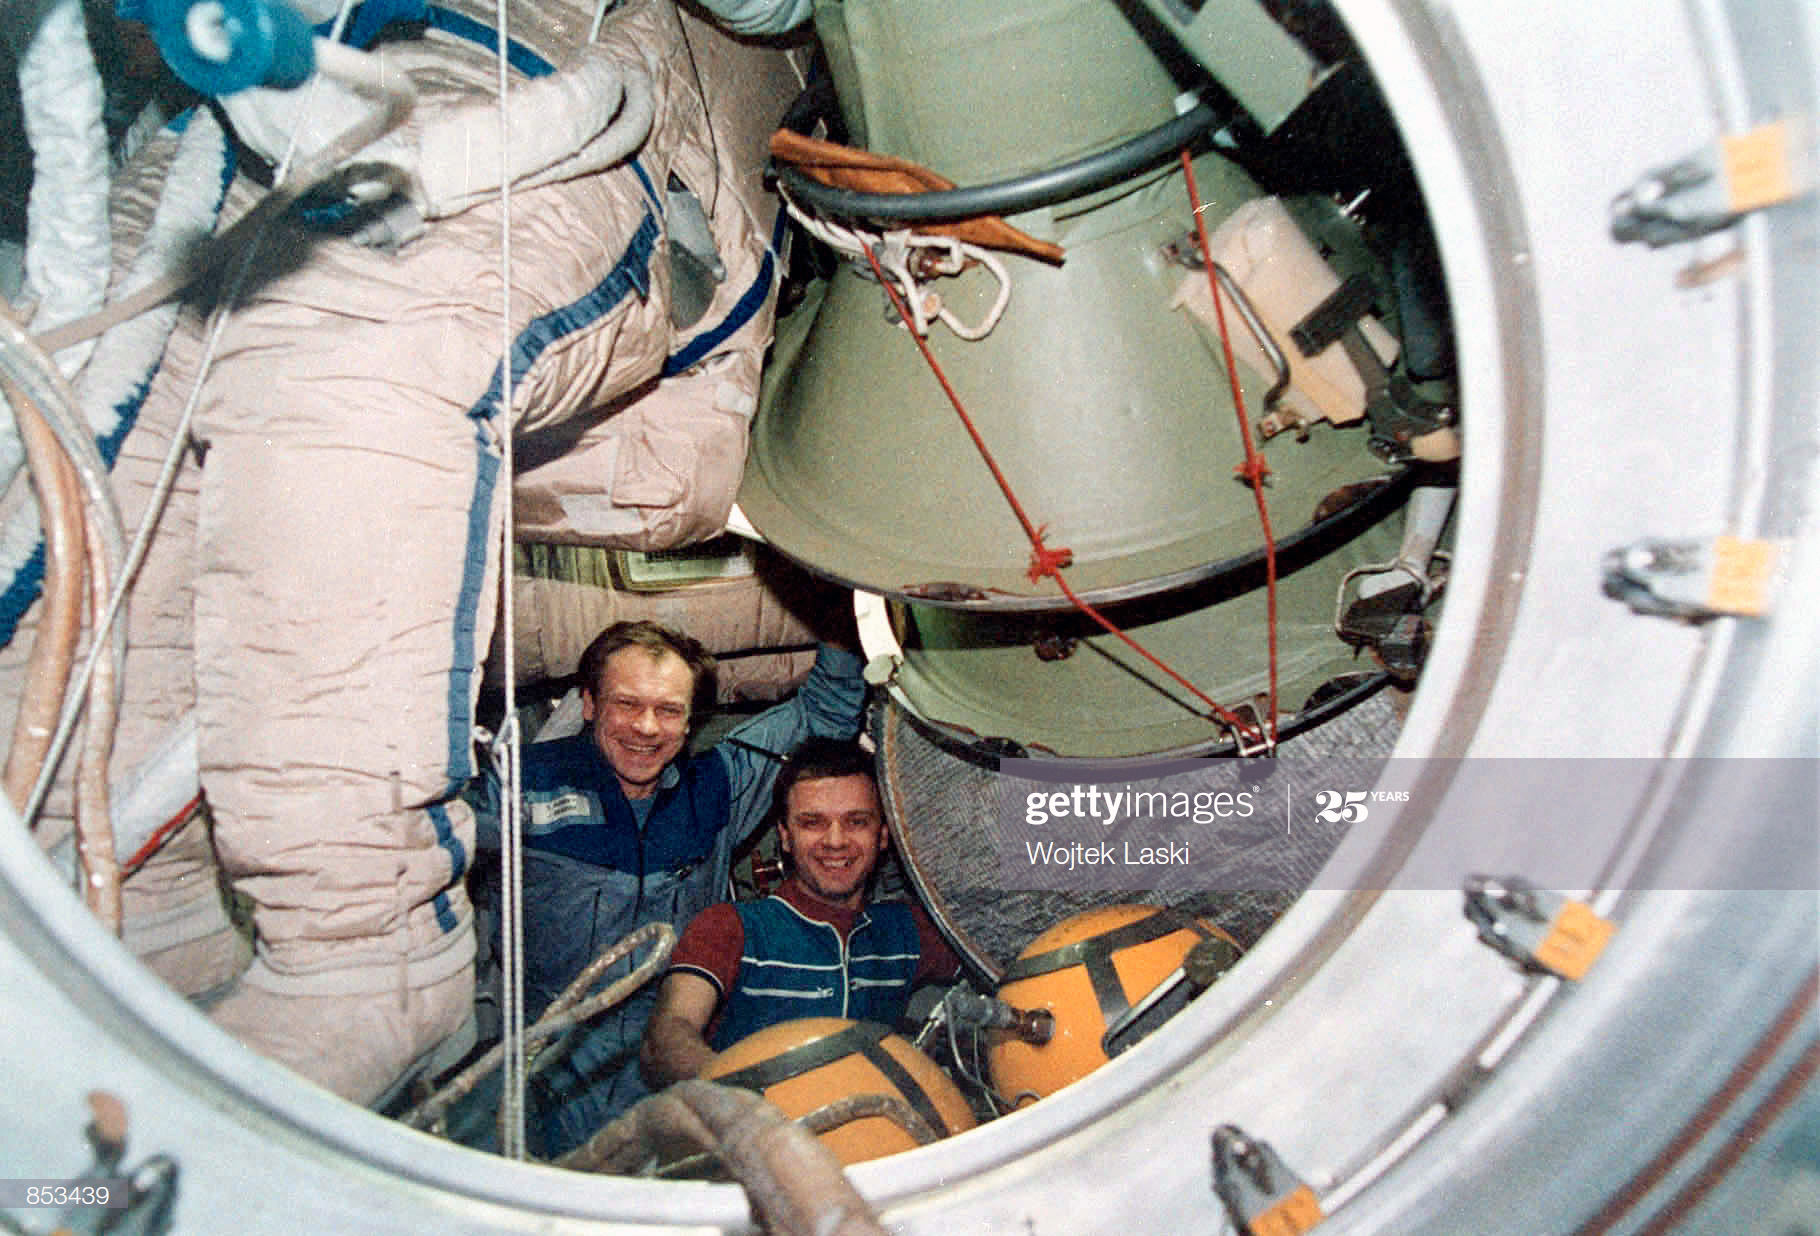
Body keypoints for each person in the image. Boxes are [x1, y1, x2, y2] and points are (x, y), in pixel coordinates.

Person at [473, 620, 866, 1155]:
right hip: (543, 1062)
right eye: (627, 704)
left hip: (671, 1055)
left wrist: (839, 603)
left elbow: (825, 713)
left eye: (668, 710)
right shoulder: (519, 783)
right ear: (589, 704)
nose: (646, 728)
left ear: (689, 722)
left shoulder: (716, 787)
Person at [639, 736, 959, 1087]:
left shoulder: (907, 932)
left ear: (883, 835)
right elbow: (667, 1037)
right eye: (812, 822)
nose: (835, 841)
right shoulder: (733, 928)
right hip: (751, 1119)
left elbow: (1001, 953)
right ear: (785, 837)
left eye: (856, 822)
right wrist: (750, 1096)